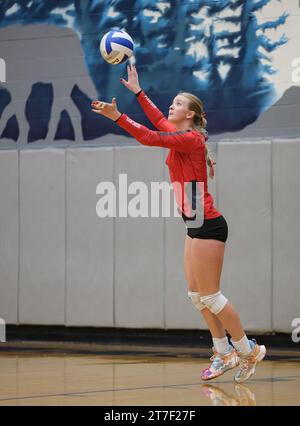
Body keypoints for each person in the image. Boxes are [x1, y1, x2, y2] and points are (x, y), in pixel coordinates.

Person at [91, 64, 266, 383]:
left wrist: (117, 116)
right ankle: (224, 353)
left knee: (212, 296)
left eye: (178, 103)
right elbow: (158, 121)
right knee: (197, 296)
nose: (171, 106)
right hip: (195, 224)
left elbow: (148, 136)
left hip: (209, 224)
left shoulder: (191, 140)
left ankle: (247, 349)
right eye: (171, 102)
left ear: (191, 115)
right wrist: (138, 93)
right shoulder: (182, 134)